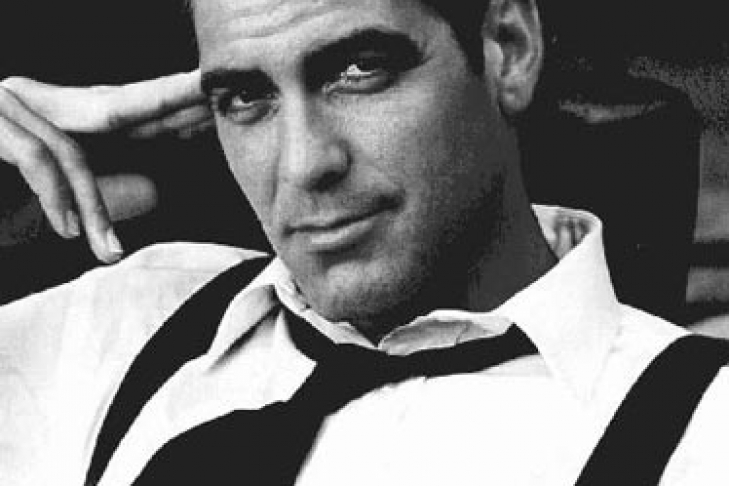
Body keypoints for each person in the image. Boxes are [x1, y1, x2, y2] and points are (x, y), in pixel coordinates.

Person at [0, 0, 727, 485]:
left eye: (358, 71)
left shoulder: (704, 431)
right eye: (245, 96)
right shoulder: (125, 327)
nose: (303, 164)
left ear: (508, 48)